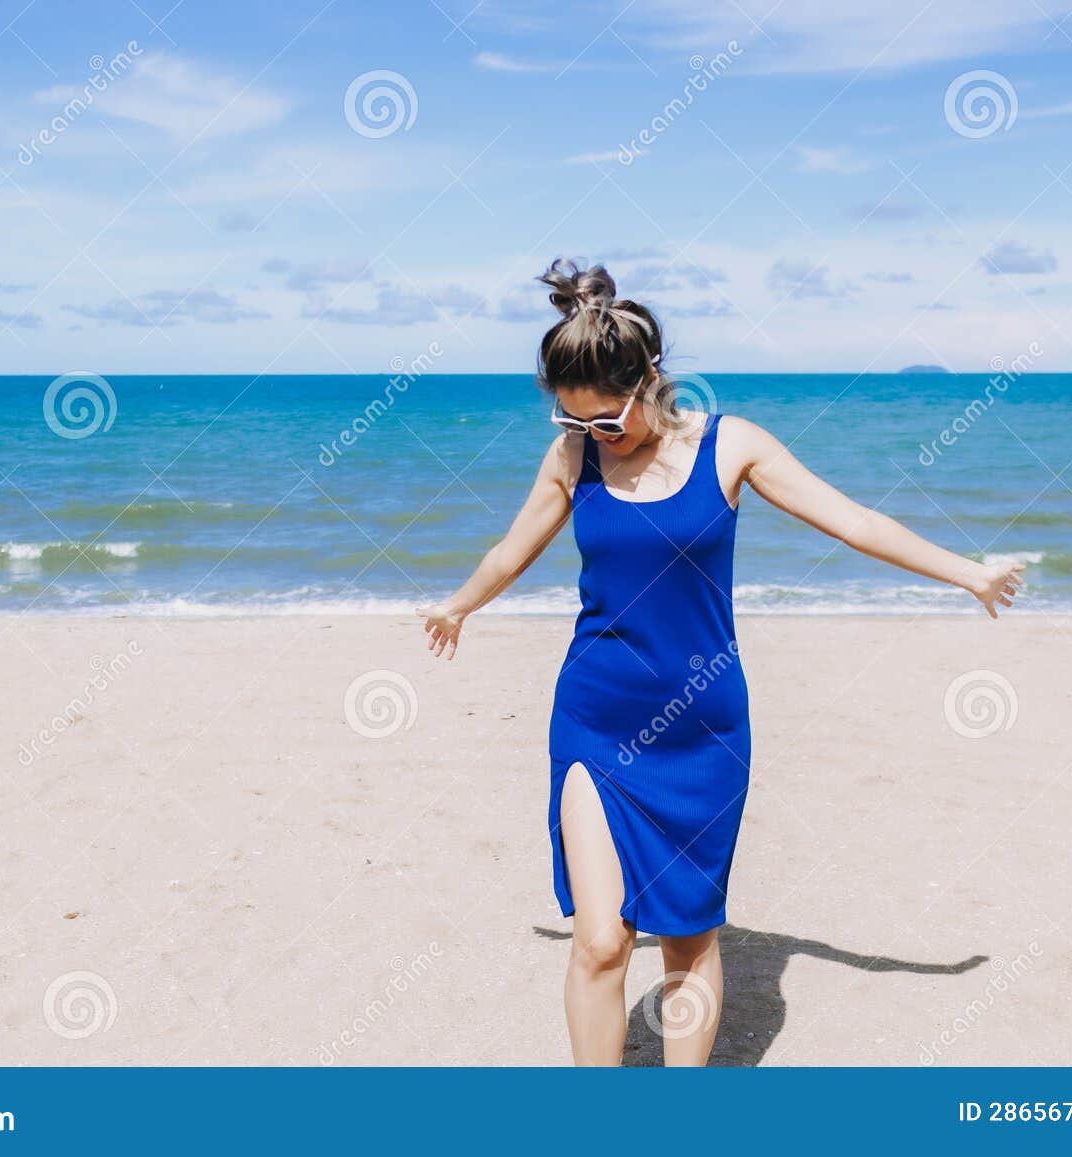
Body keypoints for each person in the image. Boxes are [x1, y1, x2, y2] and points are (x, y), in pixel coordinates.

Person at [416, 258, 1024, 1065]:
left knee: (685, 942)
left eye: (607, 420)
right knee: (600, 941)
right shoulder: (573, 460)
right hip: (596, 721)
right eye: (573, 422)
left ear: (650, 381)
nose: (594, 436)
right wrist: (459, 604)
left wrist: (969, 572)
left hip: (704, 731)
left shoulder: (730, 446)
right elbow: (510, 549)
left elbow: (854, 520)